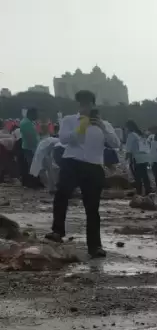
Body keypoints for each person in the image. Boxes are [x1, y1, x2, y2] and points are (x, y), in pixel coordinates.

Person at [48, 90, 120, 258]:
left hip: (94, 167)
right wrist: (82, 127)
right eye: (82, 103)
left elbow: (115, 143)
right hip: (72, 162)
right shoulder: (69, 120)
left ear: (94, 105)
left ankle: (95, 246)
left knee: (92, 208)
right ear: (78, 105)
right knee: (62, 193)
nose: (85, 106)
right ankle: (57, 231)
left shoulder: (104, 124)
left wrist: (101, 126)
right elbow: (64, 140)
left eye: (88, 103)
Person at [124, 120, 152, 196]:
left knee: (137, 176)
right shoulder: (139, 134)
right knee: (144, 175)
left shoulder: (131, 135)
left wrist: (125, 161)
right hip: (144, 157)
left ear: (128, 127)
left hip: (137, 158)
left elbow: (128, 150)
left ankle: (139, 191)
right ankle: (148, 190)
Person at [19, 107, 42, 188]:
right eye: (36, 114)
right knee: (32, 166)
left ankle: (36, 182)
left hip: (31, 147)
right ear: (31, 114)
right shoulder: (26, 123)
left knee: (33, 165)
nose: (37, 115)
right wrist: (35, 148)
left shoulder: (28, 122)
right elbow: (30, 138)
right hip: (30, 148)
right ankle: (33, 183)